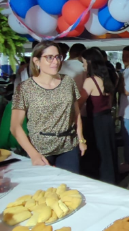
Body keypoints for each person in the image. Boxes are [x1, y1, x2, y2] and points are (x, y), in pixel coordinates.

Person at [11, 41, 87, 172]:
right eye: (49, 57)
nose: (55, 61)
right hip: (41, 148)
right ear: (36, 61)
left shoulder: (68, 82)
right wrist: (33, 154)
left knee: (70, 187)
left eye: (58, 56)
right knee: (45, 190)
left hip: (68, 145)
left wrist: (81, 140)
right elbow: (15, 126)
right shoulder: (25, 88)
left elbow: (76, 113)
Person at [79, 48, 117, 184]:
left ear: (90, 63)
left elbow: (78, 103)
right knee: (108, 152)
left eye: (83, 63)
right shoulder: (107, 78)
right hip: (107, 119)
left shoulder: (90, 81)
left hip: (95, 122)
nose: (83, 66)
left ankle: (100, 181)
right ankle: (110, 180)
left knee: (98, 153)